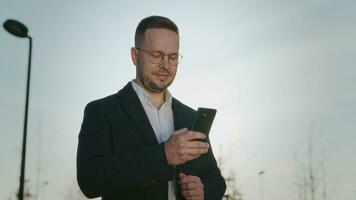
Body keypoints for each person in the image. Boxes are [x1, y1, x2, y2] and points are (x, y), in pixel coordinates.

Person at [76, 15, 226, 200]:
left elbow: (215, 179)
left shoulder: (190, 117)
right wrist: (164, 156)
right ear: (135, 55)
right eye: (156, 55)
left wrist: (203, 190)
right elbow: (90, 180)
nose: (165, 64)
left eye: (172, 57)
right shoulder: (101, 111)